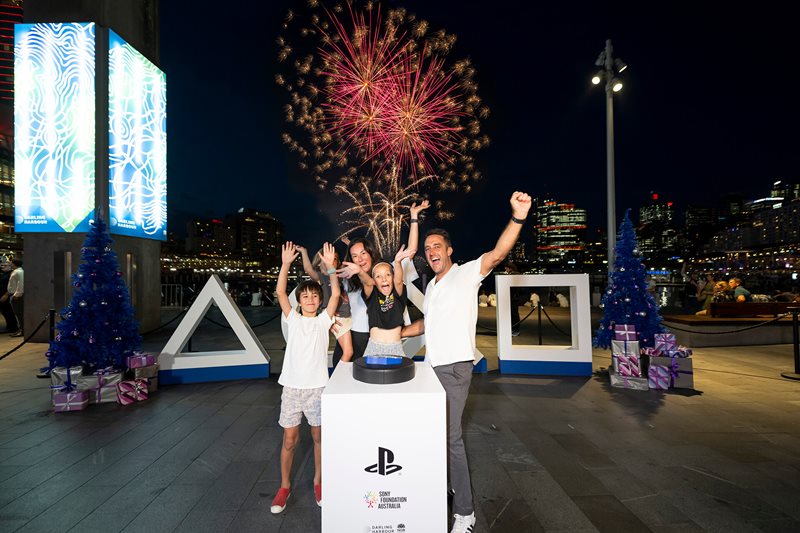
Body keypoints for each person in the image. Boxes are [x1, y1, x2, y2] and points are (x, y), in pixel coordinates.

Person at [402, 191, 532, 533]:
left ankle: (465, 513)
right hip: (432, 367)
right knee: (435, 433)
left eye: (437, 246)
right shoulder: (432, 286)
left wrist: (518, 216)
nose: (431, 251)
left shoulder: (466, 273)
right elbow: (427, 324)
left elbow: (498, 254)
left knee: (451, 438)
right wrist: (397, 332)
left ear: (449, 251)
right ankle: (447, 485)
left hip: (455, 368)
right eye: (427, 248)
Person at [272, 242, 340, 514]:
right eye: (305, 296)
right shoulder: (293, 319)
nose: (310, 299)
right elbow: (280, 292)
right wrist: (285, 264)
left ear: (319, 300)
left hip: (317, 389)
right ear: (299, 301)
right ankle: (284, 487)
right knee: (290, 440)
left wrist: (331, 268)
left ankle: (318, 481)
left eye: (314, 296)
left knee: (318, 436)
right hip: (292, 388)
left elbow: (336, 292)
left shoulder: (324, 320)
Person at [333, 201, 430, 365]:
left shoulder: (388, 271)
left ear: (371, 253)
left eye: (363, 253)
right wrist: (330, 315)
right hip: (353, 337)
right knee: (346, 376)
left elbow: (410, 251)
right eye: (355, 256)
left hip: (383, 338)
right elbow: (330, 291)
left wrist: (414, 217)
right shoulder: (349, 276)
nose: (360, 259)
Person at [339, 245, 417, 357]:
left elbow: (399, 281)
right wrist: (360, 271)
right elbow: (367, 283)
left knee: (398, 370)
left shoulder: (398, 295)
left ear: (393, 278)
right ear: (374, 281)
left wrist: (397, 262)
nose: (384, 279)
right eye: (378, 276)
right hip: (374, 348)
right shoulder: (373, 297)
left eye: (388, 275)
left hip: (395, 348)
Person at [298, 244, 354, 362]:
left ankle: (340, 369)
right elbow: (308, 269)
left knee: (348, 351)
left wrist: (349, 244)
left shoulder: (340, 275)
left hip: (349, 316)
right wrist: (303, 251)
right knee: (348, 352)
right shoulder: (321, 277)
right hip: (339, 318)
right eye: (327, 258)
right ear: (319, 262)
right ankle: (339, 373)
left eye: (334, 258)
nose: (331, 261)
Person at [2, 258, 24, 337]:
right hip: (13, 294)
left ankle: (22, 330)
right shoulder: (16, 271)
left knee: (19, 314)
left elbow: (21, 283)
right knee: (17, 314)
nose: (10, 264)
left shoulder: (19, 272)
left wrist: (17, 294)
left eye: (11, 263)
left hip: (16, 296)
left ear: (14, 263)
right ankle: (21, 329)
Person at [0, 259, 18, 333]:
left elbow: (12, 286)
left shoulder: (11, 274)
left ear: (10, 266)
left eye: (5, 265)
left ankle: (13, 327)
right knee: (4, 312)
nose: (2, 266)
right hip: (2, 295)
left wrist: (6, 295)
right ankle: (9, 326)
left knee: (8, 312)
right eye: (1, 265)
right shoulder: (4, 273)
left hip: (7, 295)